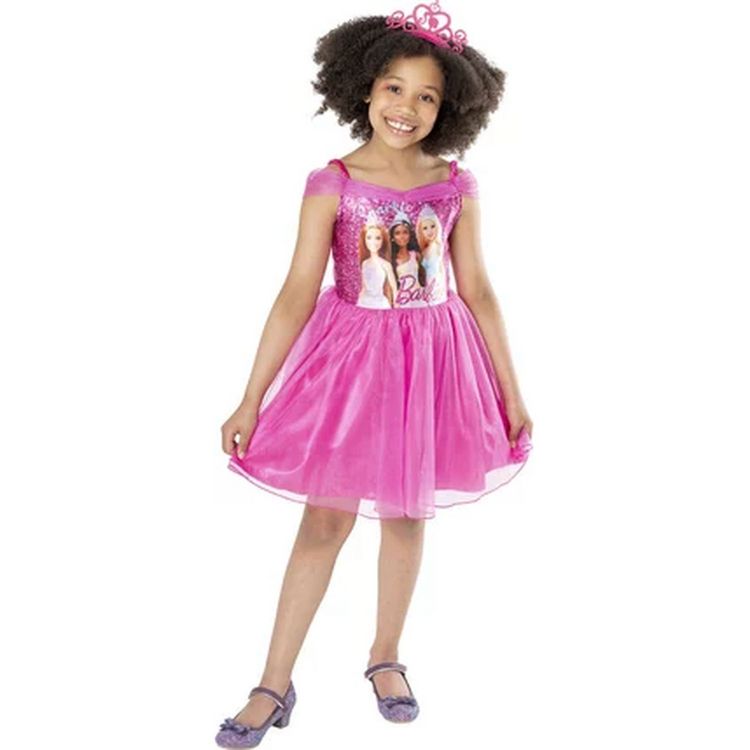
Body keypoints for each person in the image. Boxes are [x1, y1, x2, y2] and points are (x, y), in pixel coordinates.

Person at [215, 4, 535, 746]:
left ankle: (385, 655)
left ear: (449, 107)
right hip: (352, 365)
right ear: (363, 87)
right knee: (325, 519)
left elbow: (478, 289)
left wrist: (511, 391)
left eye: (426, 96)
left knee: (407, 513)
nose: (406, 108)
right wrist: (250, 397)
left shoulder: (455, 184)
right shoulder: (333, 182)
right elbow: (297, 291)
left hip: (434, 363)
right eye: (394, 88)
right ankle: (273, 681)